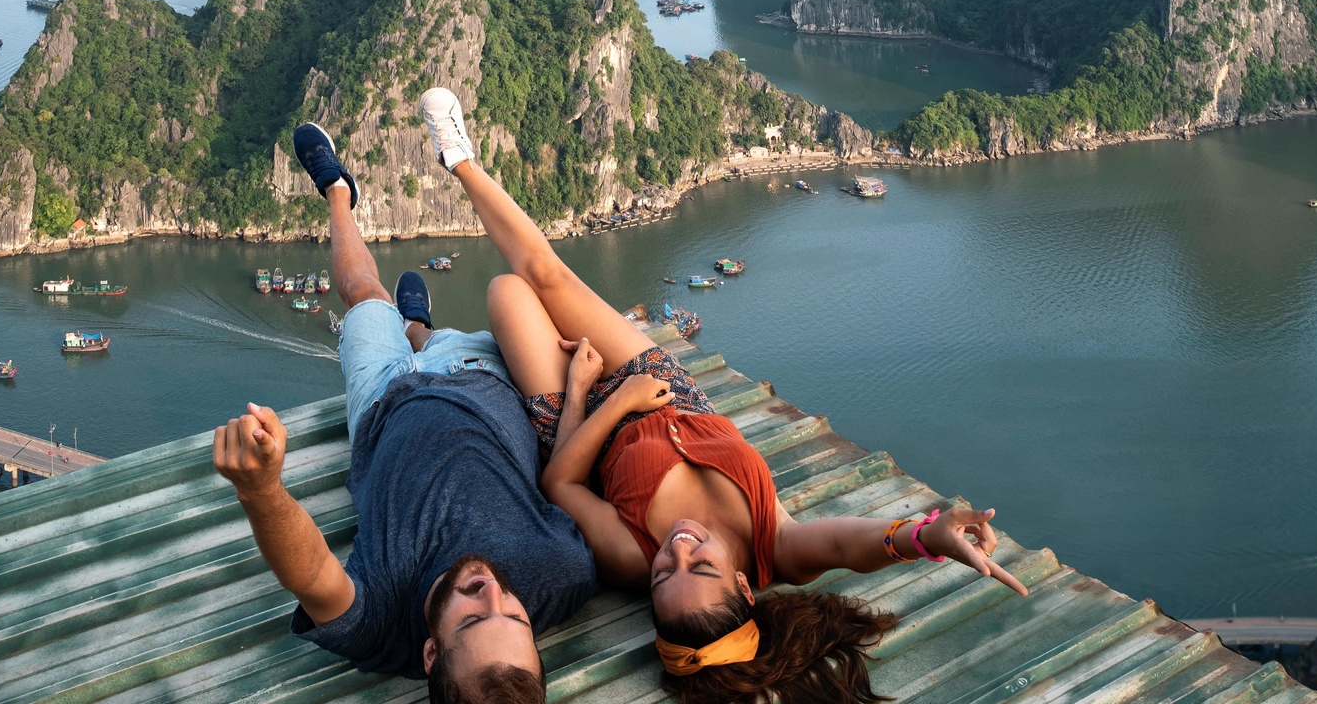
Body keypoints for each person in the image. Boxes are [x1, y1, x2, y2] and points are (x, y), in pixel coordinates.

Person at [414, 86, 1030, 704]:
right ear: (742, 586)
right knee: (547, 273)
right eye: (699, 565)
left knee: (507, 293)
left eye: (664, 575)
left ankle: (422, 328)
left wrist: (598, 396)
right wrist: (927, 537)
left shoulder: (631, 557)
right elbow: (853, 544)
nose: (677, 549)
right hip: (671, 389)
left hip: (585, 424)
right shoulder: (775, 546)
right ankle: (460, 160)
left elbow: (562, 486)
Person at [210, 122, 597, 704]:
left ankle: (338, 191)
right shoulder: (561, 573)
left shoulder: (384, 625)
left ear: (431, 653)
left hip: (382, 407)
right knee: (424, 331)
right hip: (479, 376)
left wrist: (261, 490)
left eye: (471, 618)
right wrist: (579, 390)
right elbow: (562, 482)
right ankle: (420, 325)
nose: (491, 590)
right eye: (517, 620)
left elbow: (315, 578)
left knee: (366, 296)